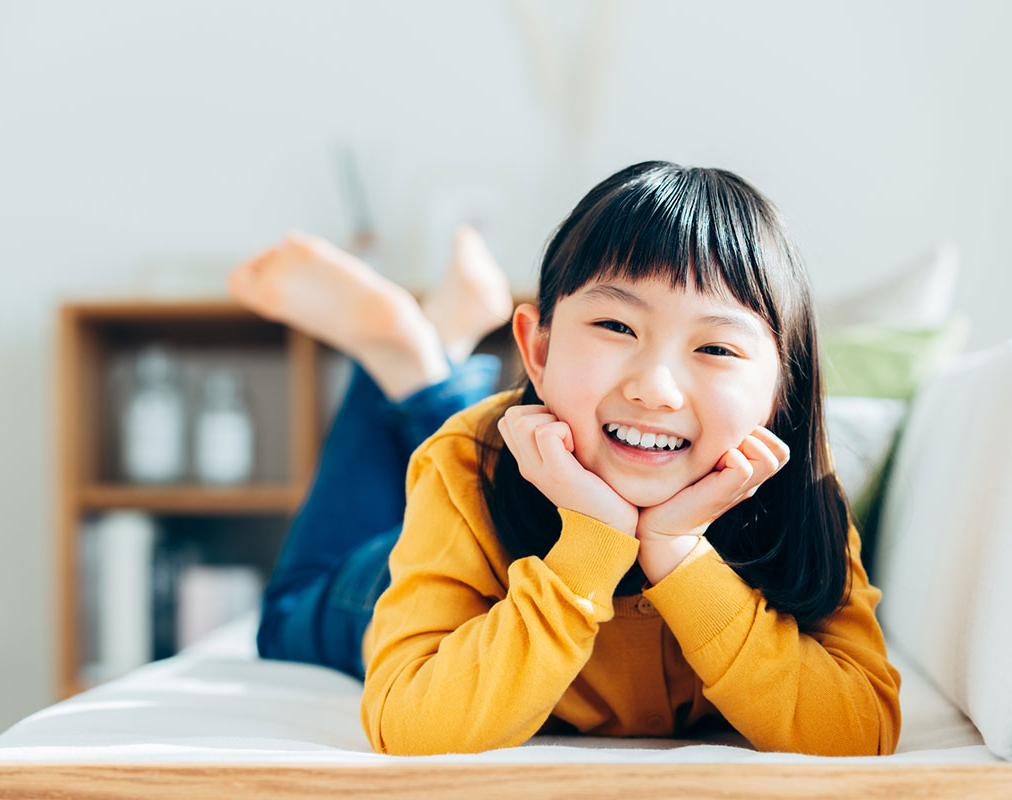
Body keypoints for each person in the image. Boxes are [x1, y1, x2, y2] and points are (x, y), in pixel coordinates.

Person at [228, 161, 902, 758]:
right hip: (391, 585)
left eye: (717, 349)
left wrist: (678, 552)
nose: (654, 388)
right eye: (616, 326)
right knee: (288, 611)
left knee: (512, 435)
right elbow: (408, 723)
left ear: (782, 388)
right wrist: (594, 544)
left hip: (530, 455)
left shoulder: (798, 493)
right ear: (540, 350)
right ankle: (402, 356)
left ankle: (429, 354)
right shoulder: (463, 466)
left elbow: (861, 727)